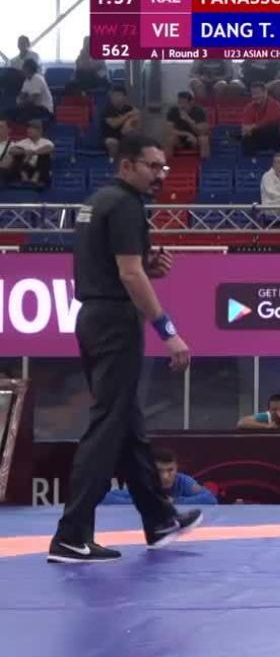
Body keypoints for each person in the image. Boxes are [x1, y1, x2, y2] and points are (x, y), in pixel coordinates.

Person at [48, 134, 200, 564]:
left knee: (128, 425)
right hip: (115, 322)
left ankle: (159, 519)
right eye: (152, 166)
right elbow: (130, 275)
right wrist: (167, 330)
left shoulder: (98, 201)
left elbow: (120, 267)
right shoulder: (127, 205)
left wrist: (147, 268)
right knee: (107, 428)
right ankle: (71, 534)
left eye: (163, 167)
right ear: (127, 165)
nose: (160, 175)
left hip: (94, 317)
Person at [101, 448, 217, 506]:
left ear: (176, 468)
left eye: (170, 470)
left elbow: (210, 498)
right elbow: (104, 498)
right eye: (159, 471)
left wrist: (175, 501)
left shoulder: (184, 482)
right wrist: (145, 503)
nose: (165, 476)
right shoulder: (144, 483)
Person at [165, 91, 210, 159]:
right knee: (169, 139)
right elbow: (169, 130)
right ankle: (169, 164)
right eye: (179, 103)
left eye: (183, 103)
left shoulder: (199, 111)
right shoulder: (173, 111)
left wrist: (189, 120)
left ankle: (204, 164)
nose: (181, 106)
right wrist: (187, 134)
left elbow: (202, 132)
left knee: (204, 140)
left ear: (191, 103)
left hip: (195, 139)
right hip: (180, 139)